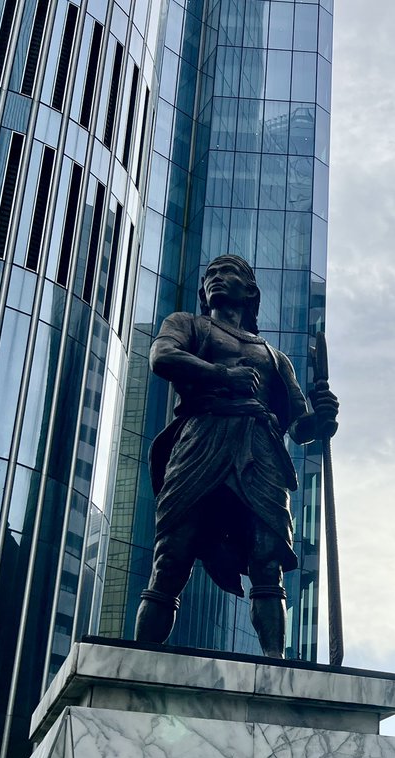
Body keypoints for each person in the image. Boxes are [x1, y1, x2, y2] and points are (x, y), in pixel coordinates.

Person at [134, 254, 338, 657]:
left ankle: (276, 665)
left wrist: (323, 418)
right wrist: (223, 375)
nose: (215, 278)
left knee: (267, 560)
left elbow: (299, 427)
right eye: (210, 274)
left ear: (249, 291)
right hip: (202, 438)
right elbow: (162, 357)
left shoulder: (274, 357)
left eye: (227, 273)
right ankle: (137, 660)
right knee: (172, 554)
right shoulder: (188, 324)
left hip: (260, 450)